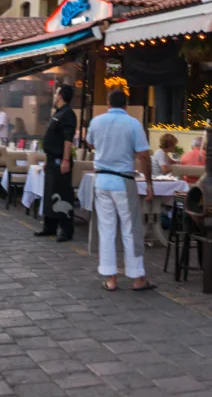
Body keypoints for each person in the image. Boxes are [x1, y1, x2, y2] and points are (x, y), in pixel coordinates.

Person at [87, 89, 155, 292]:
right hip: (124, 181)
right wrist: (149, 183)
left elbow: (90, 142)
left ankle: (111, 278)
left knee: (106, 229)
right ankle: (137, 278)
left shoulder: (96, 121)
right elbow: (143, 155)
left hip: (101, 179)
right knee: (130, 229)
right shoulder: (133, 124)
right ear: (126, 105)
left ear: (108, 103)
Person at [35, 84, 77, 242]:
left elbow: (68, 140)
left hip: (61, 160)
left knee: (62, 194)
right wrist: (48, 160)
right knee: (50, 194)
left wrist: (65, 159)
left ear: (60, 95)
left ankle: (66, 230)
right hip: (52, 159)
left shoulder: (68, 114)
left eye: (56, 93)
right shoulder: (58, 113)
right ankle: (49, 226)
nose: (54, 96)